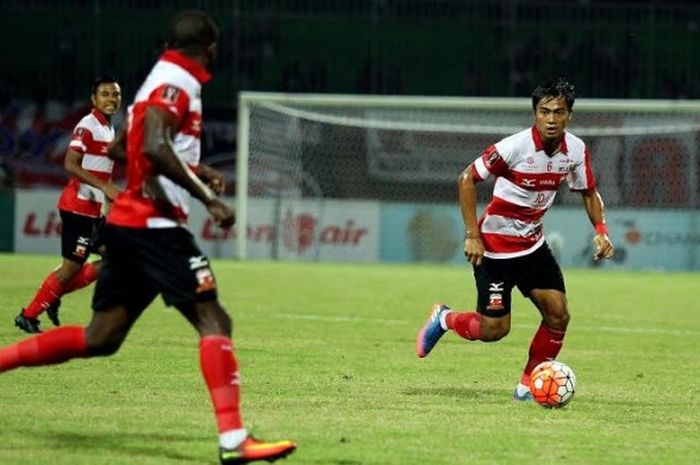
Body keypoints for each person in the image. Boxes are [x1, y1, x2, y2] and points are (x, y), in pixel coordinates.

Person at [0, 11, 296, 465]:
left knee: (102, 337)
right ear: (209, 49)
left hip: (131, 224)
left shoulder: (154, 82)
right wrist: (206, 198)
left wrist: (194, 169)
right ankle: (234, 441)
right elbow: (154, 146)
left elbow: (125, 149)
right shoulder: (179, 80)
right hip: (155, 225)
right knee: (213, 320)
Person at [415, 78, 615, 401]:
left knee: (558, 314)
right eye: (544, 112)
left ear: (569, 116)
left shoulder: (576, 150)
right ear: (535, 114)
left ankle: (527, 387)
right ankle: (445, 318)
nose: (551, 119)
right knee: (494, 330)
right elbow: (467, 178)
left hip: (533, 247)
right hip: (495, 249)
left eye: (559, 112)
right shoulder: (513, 148)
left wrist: (601, 231)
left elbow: (589, 192)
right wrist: (472, 235)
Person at [14, 76, 122, 334]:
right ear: (94, 99)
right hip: (78, 208)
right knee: (71, 268)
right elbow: (70, 164)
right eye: (105, 94)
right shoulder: (88, 125)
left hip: (93, 209)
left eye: (115, 94)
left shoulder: (108, 128)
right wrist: (105, 187)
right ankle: (28, 316)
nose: (111, 99)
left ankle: (52, 294)